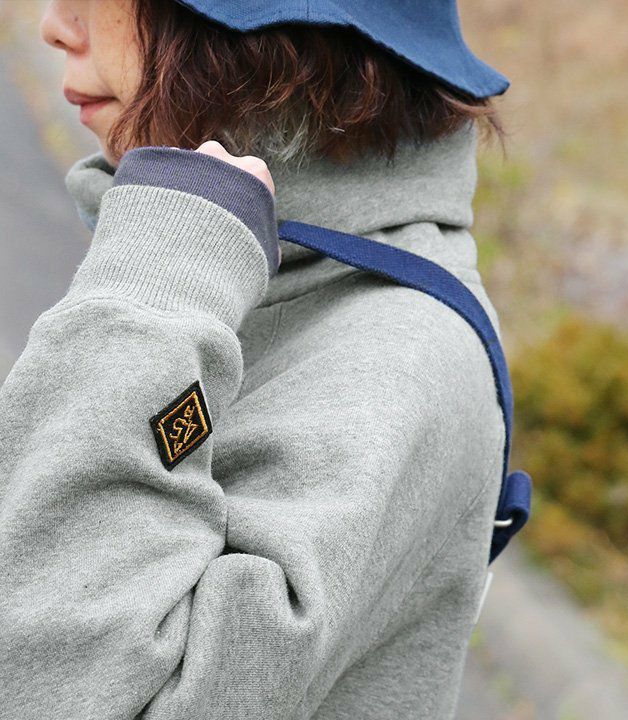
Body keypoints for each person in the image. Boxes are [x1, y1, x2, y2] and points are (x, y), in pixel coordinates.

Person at [0, 1, 511, 717]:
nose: (56, 25)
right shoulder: (243, 264)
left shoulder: (395, 364)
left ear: (258, 28)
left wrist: (158, 285)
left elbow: (65, 688)